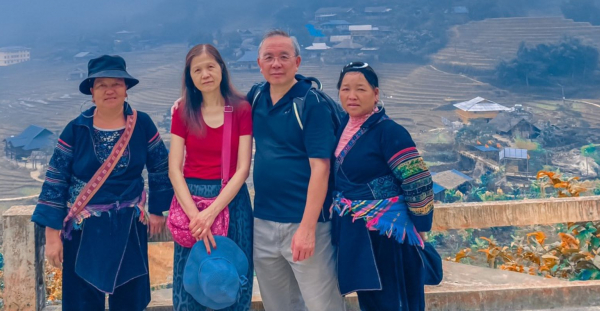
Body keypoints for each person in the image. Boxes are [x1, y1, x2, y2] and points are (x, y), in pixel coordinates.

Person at [32, 55, 173, 311]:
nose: (110, 90)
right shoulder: (76, 130)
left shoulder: (142, 124)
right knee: (83, 301)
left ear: (126, 90)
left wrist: (156, 210)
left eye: (117, 83)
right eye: (101, 85)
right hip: (85, 231)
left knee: (130, 300)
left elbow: (160, 167)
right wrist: (52, 237)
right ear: (92, 93)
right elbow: (55, 182)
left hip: (130, 226)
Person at [246, 30, 346, 311]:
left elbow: (320, 168)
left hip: (305, 223)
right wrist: (187, 101)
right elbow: (219, 109)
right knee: (279, 306)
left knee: (322, 306)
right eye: (269, 57)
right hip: (263, 222)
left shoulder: (310, 103)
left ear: (297, 62)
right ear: (259, 63)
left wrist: (307, 228)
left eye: (283, 57)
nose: (276, 63)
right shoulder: (256, 97)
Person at [331, 61, 435, 311]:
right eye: (345, 89)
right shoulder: (341, 127)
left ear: (375, 94)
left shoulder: (390, 132)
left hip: (390, 236)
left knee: (395, 301)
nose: (352, 96)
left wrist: (421, 225)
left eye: (360, 89)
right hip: (359, 235)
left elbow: (417, 180)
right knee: (373, 301)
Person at [169, 44, 254, 311]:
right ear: (190, 77)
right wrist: (196, 216)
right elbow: (174, 169)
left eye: (210, 67)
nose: (205, 74)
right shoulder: (182, 111)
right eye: (197, 70)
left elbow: (243, 169)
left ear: (221, 69)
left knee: (230, 282)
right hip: (190, 201)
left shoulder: (241, 109)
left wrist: (210, 213)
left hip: (231, 201)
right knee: (191, 284)